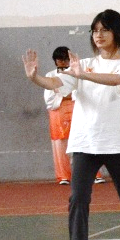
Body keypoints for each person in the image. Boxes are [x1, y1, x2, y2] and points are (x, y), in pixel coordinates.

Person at [22, 10, 120, 240]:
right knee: (77, 201)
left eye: (104, 30)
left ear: (118, 33)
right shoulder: (80, 64)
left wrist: (83, 75)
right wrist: (35, 78)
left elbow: (115, 81)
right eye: (95, 30)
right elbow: (56, 82)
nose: (98, 35)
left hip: (118, 143)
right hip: (85, 144)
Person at [42, 47, 75, 185]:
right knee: (60, 145)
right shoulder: (50, 75)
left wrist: (63, 93)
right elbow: (49, 98)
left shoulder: (77, 73)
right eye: (60, 60)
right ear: (55, 61)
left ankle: (94, 174)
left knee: (84, 142)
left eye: (66, 59)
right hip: (58, 113)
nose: (63, 62)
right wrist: (67, 95)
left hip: (77, 111)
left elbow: (82, 92)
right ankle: (63, 176)